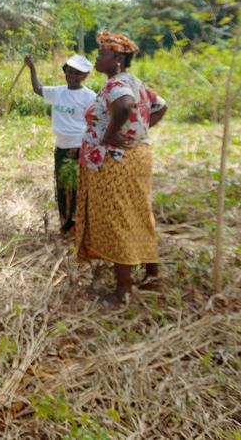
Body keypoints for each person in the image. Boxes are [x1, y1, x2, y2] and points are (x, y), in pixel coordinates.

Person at [74, 30, 169, 308]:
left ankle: (124, 291)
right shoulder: (135, 82)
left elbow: (125, 105)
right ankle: (152, 275)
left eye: (102, 53)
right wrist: (136, 132)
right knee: (138, 213)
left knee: (118, 219)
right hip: (136, 156)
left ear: (117, 58)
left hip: (115, 162)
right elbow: (160, 107)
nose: (97, 58)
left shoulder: (116, 84)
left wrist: (110, 136)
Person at [25, 54, 97, 235]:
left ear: (84, 76)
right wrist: (32, 68)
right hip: (61, 147)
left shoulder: (89, 97)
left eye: (77, 73)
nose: (72, 76)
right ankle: (65, 222)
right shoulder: (58, 92)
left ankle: (78, 225)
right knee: (63, 185)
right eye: (69, 72)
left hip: (79, 147)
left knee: (77, 185)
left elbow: (96, 121)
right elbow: (38, 88)